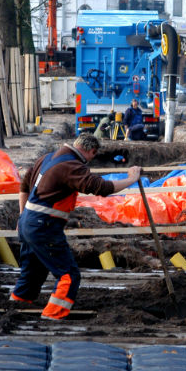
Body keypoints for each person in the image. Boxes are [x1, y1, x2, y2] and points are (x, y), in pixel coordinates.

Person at [11, 134, 142, 319]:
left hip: (28, 223)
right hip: (44, 226)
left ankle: (16, 307)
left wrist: (22, 215)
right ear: (91, 151)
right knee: (69, 275)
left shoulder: (47, 158)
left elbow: (24, 185)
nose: (89, 162)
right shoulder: (71, 166)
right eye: (92, 157)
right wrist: (132, 178)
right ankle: (52, 317)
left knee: (33, 271)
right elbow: (101, 187)